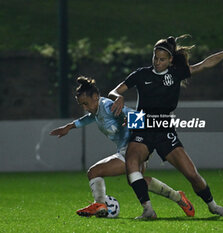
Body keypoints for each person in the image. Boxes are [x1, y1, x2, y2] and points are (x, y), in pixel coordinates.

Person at [108, 34, 223, 219]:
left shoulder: (176, 74)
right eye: (155, 58)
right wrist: (117, 97)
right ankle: (148, 210)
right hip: (141, 125)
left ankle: (213, 206)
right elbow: (113, 91)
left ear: (170, 60)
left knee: (192, 174)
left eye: (162, 59)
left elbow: (206, 63)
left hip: (164, 128)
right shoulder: (141, 74)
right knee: (131, 163)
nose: (157, 62)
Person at [50, 76, 195, 218]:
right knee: (138, 182)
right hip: (130, 148)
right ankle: (178, 197)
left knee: (94, 172)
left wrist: (130, 121)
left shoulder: (107, 106)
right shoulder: (96, 111)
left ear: (95, 96)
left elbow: (139, 117)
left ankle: (100, 204)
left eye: (86, 103)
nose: (85, 108)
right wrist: (69, 126)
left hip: (133, 148)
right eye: (82, 105)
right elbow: (89, 118)